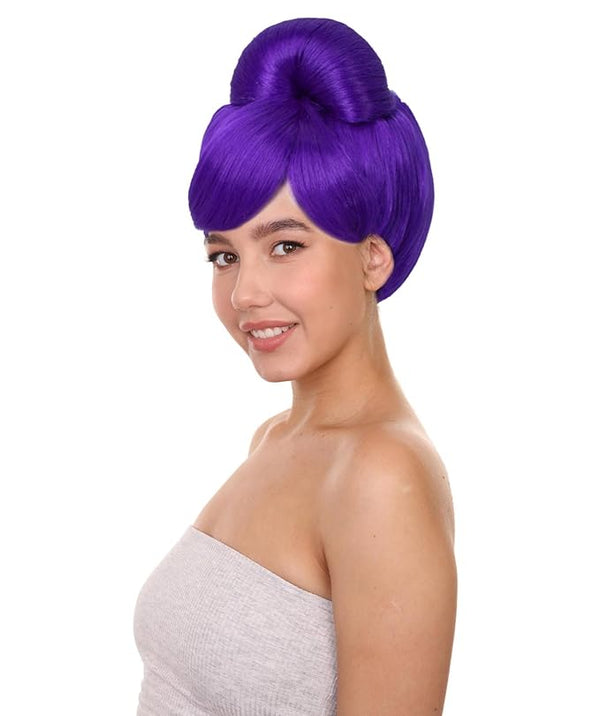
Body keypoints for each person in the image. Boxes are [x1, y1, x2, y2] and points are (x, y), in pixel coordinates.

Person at [133, 17, 456, 715]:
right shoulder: (274, 440)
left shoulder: (381, 476)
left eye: (285, 245)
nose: (244, 293)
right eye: (224, 255)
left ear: (373, 257)